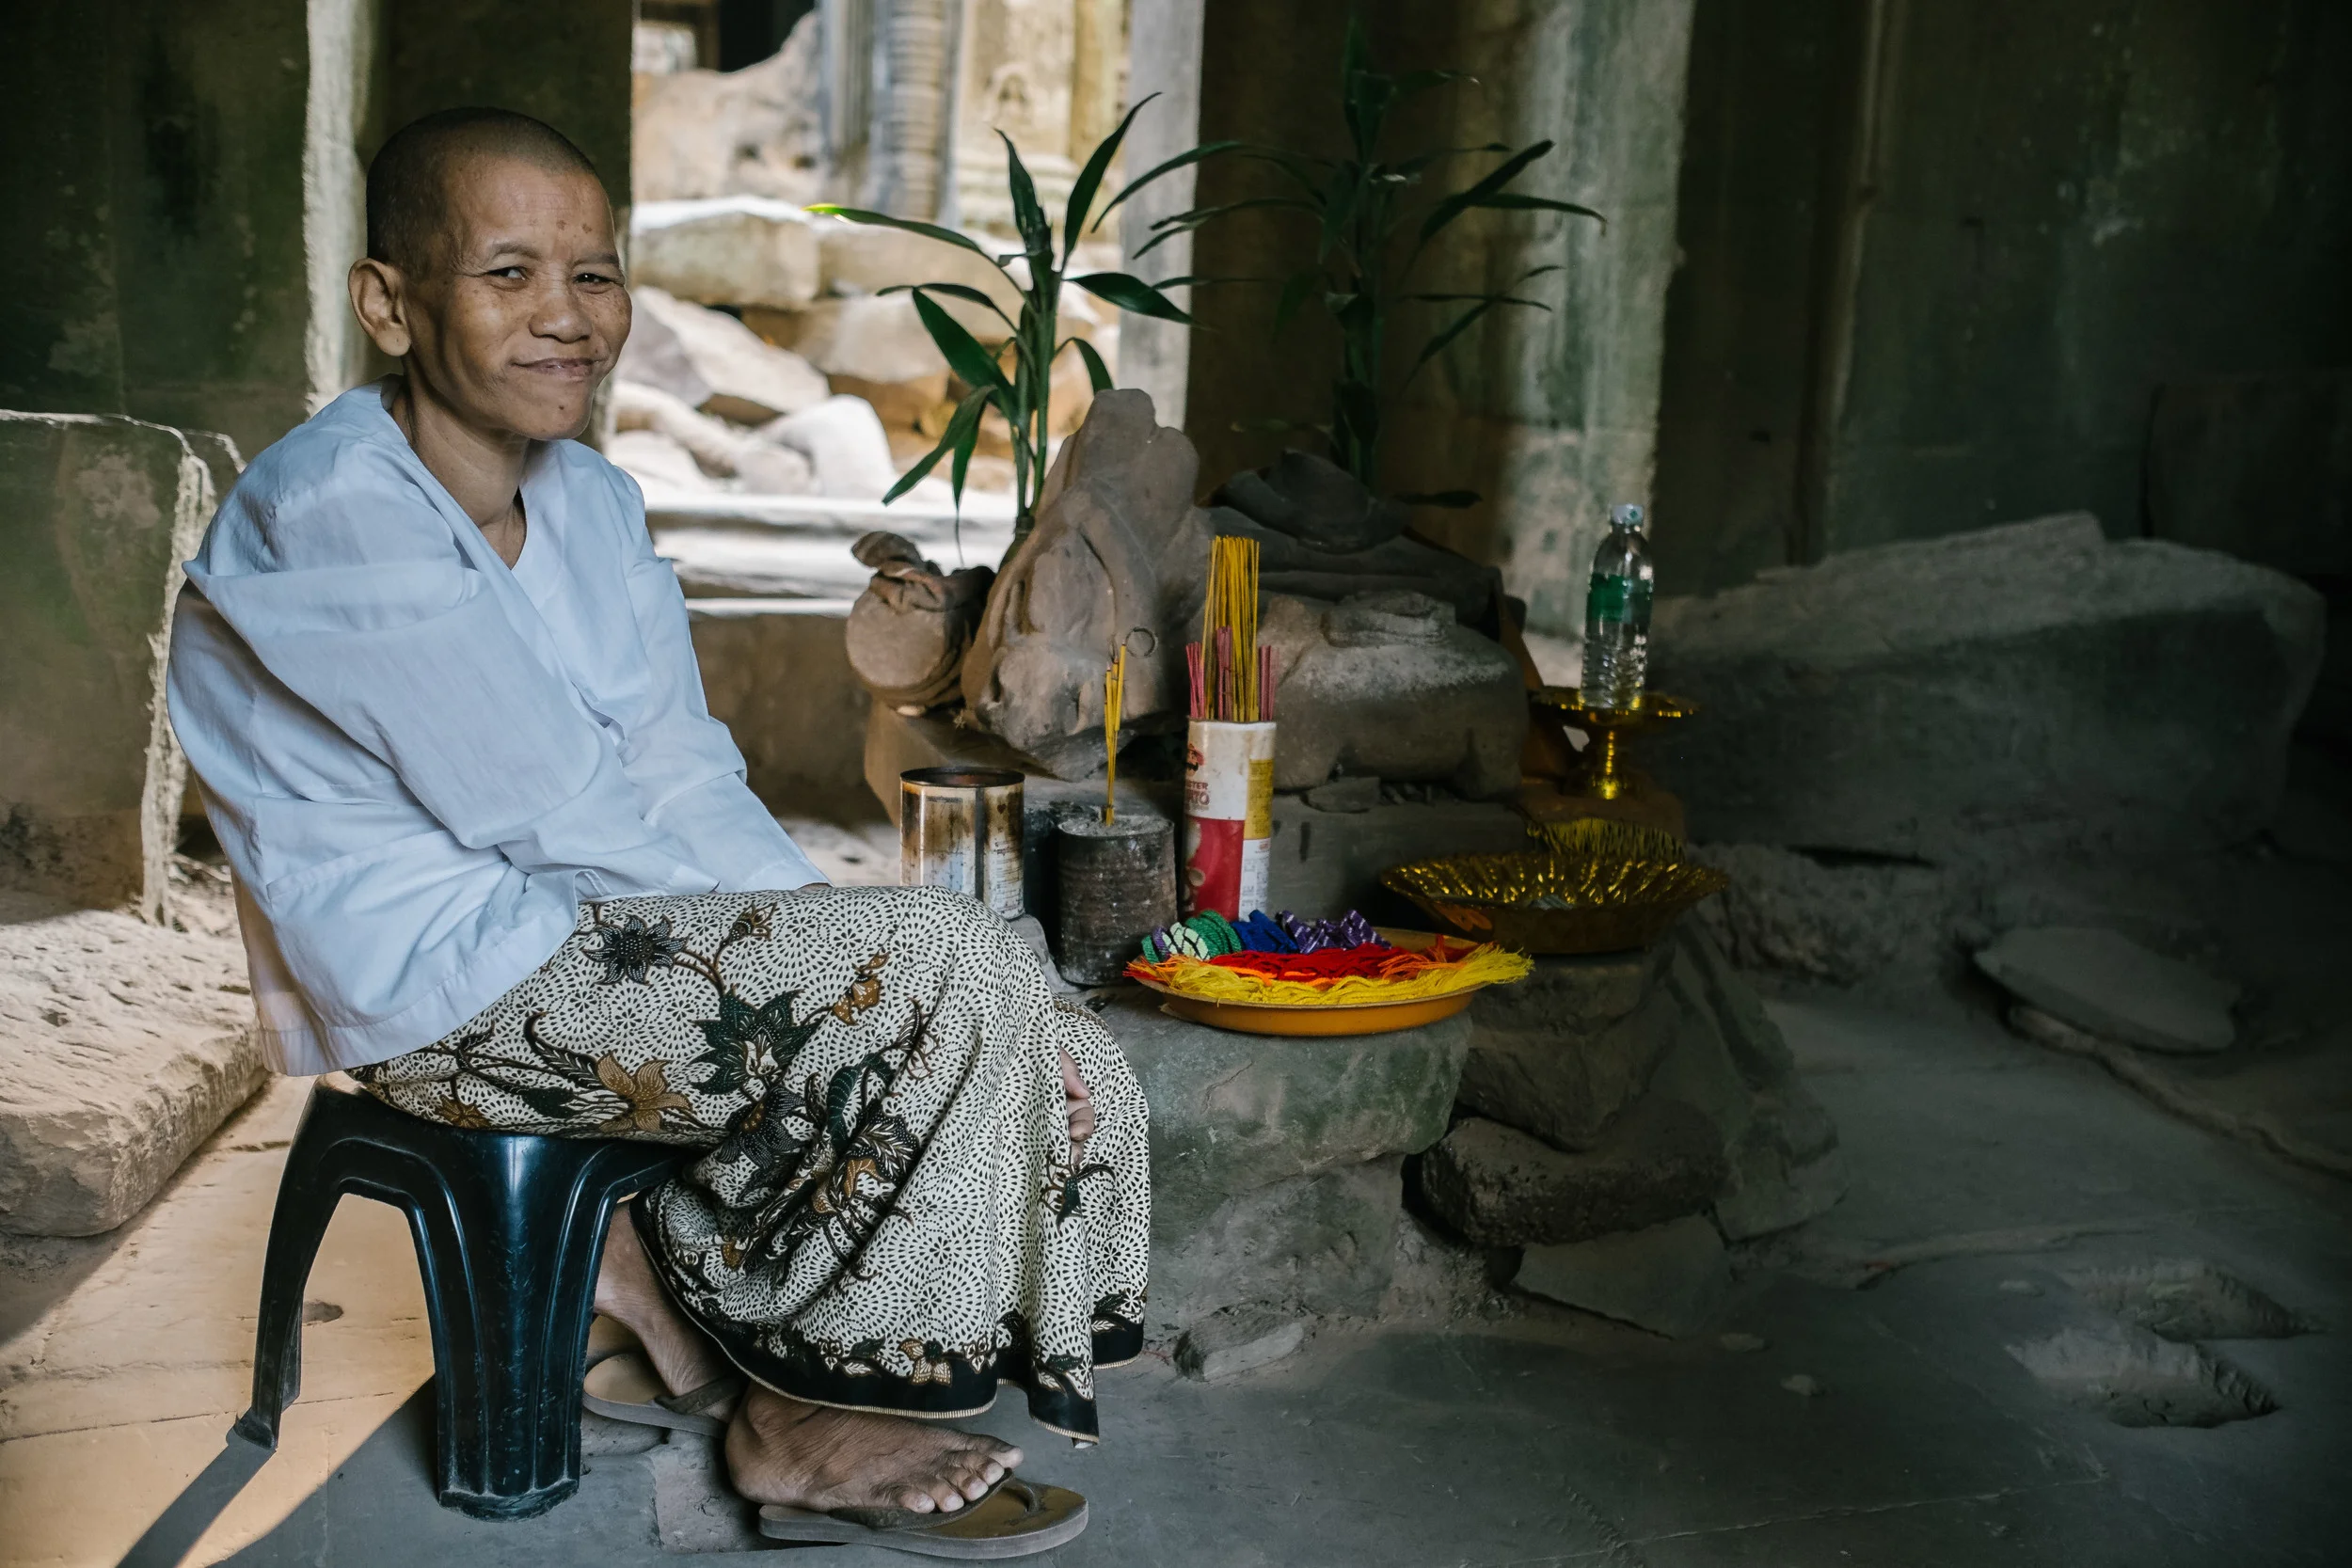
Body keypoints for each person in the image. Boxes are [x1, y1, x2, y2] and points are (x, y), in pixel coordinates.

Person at [166, 106, 1146, 1558]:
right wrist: (890, 964)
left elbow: (681, 776)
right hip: (444, 982)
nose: (567, 316)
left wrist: (917, 962)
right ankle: (799, 1409)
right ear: (389, 303)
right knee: (942, 969)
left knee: (1027, 1002)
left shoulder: (591, 501)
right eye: (508, 273)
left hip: (587, 932)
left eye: (596, 275)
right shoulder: (330, 509)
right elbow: (549, 805)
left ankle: (706, 1301)